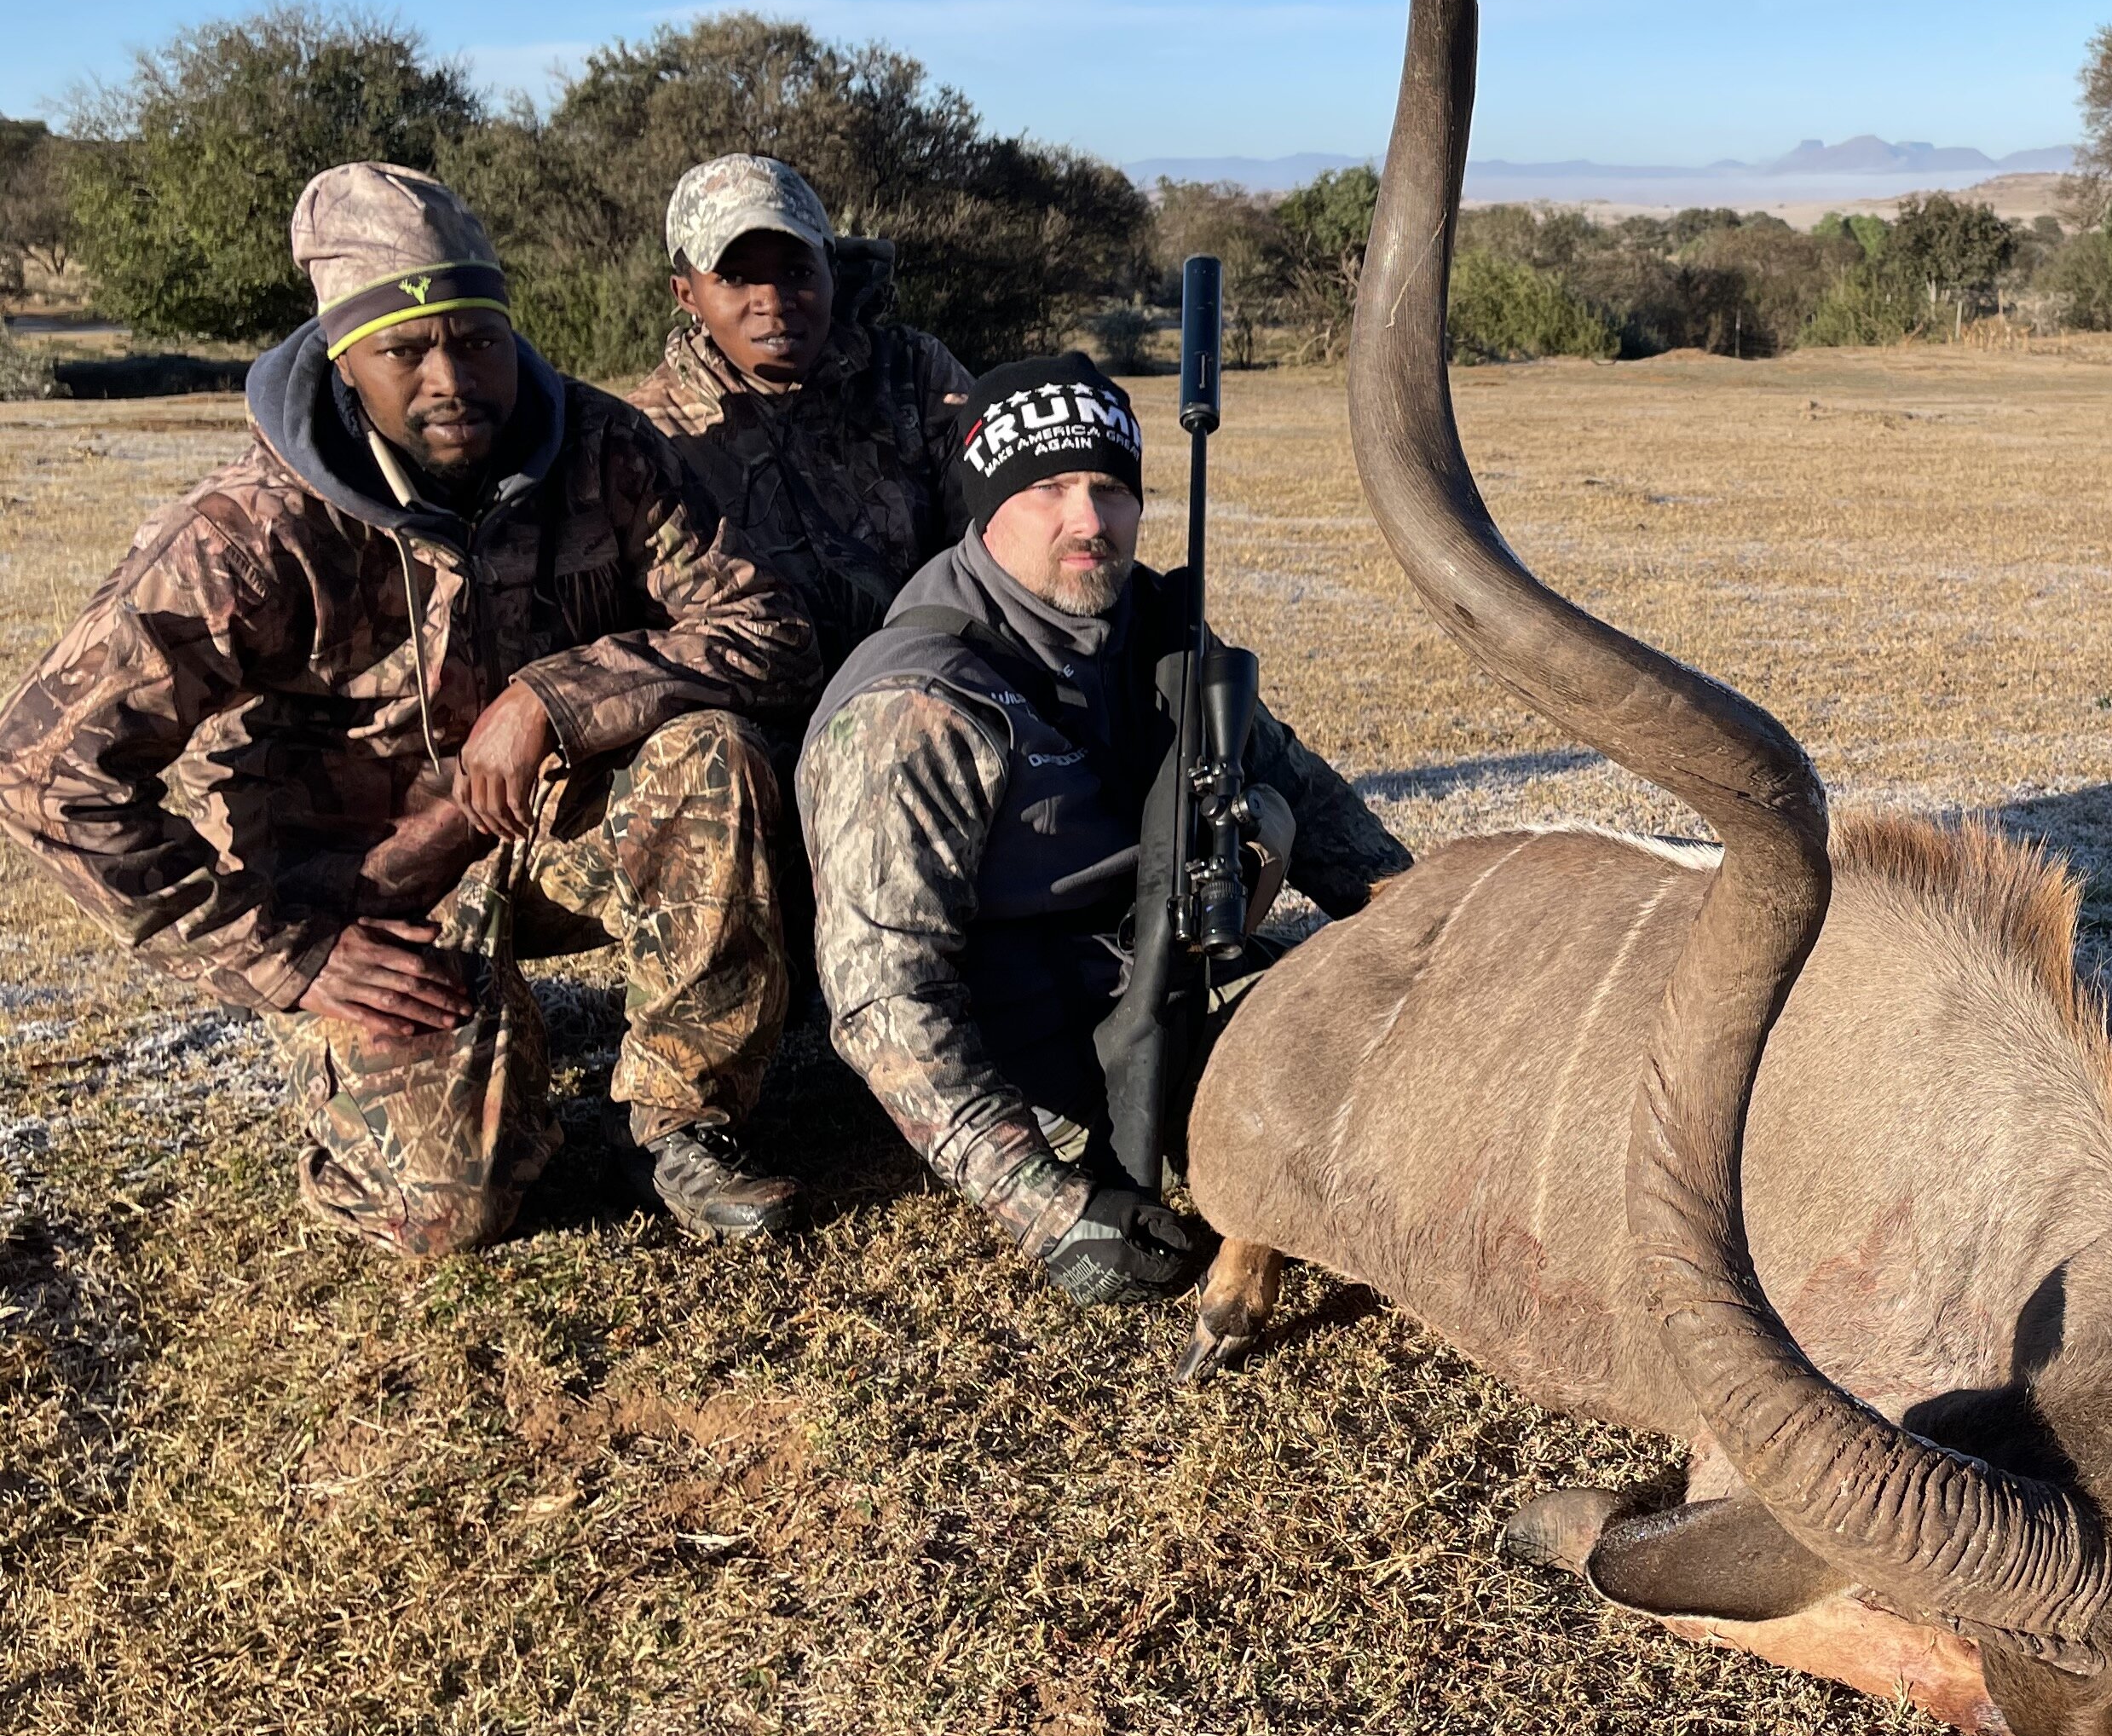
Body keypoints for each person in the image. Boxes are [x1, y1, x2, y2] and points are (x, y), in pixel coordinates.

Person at [0, 164, 819, 1253]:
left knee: (711, 752)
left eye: (478, 339)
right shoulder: (247, 530)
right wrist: (288, 954)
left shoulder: (603, 447)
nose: (454, 378)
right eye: (406, 350)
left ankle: (681, 1121)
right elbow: (46, 769)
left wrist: (557, 694)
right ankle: (422, 1065)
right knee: (448, 1212)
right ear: (344, 355)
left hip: (538, 829)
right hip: (359, 892)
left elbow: (768, 625)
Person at [798, 355, 1411, 1301]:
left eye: (1111, 487)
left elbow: (1320, 812)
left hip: (1172, 982)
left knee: (1402, 1030)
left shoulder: (1157, 637)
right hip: (1027, 1061)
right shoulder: (915, 705)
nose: (1088, 520)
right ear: (986, 508)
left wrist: (1441, 931)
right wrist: (1050, 1210)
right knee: (1360, 1125)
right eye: (1047, 488)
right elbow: (884, 999)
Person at [630, 154, 975, 680]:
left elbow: (998, 538)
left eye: (797, 272)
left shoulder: (913, 373)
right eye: (736, 278)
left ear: (831, 271)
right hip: (753, 708)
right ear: (687, 295)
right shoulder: (651, 433)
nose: (772, 301)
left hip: (922, 682)